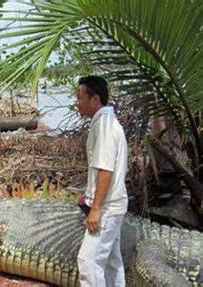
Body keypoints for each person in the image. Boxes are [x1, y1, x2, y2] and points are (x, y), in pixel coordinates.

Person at [75, 76, 128, 287]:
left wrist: (95, 208)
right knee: (111, 263)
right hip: (112, 204)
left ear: (95, 99)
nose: (76, 102)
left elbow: (106, 169)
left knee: (88, 261)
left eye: (80, 97)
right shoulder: (104, 122)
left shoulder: (105, 125)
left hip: (107, 206)